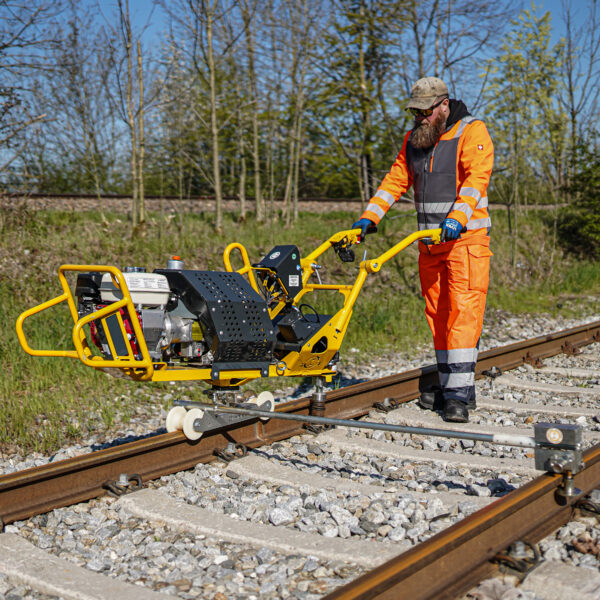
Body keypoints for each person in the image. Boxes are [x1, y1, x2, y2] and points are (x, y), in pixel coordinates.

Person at [352, 76, 493, 423]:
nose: (420, 118)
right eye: (415, 113)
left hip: (465, 242)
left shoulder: (471, 132)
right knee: (438, 316)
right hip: (430, 245)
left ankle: (457, 397)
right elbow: (395, 182)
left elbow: (476, 180)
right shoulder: (414, 140)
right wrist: (369, 217)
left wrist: (457, 218)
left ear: (444, 105)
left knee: (462, 314)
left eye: (425, 112)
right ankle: (454, 387)